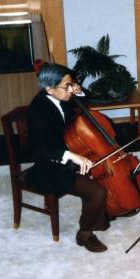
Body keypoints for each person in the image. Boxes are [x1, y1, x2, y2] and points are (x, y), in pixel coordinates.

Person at [26, 63, 109, 252]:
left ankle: (101, 215)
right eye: (67, 86)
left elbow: (85, 99)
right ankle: (85, 234)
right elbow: (39, 148)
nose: (71, 89)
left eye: (72, 84)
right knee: (97, 192)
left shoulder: (63, 95)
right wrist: (73, 157)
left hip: (68, 151)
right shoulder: (38, 110)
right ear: (49, 89)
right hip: (49, 167)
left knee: (102, 173)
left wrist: (78, 91)